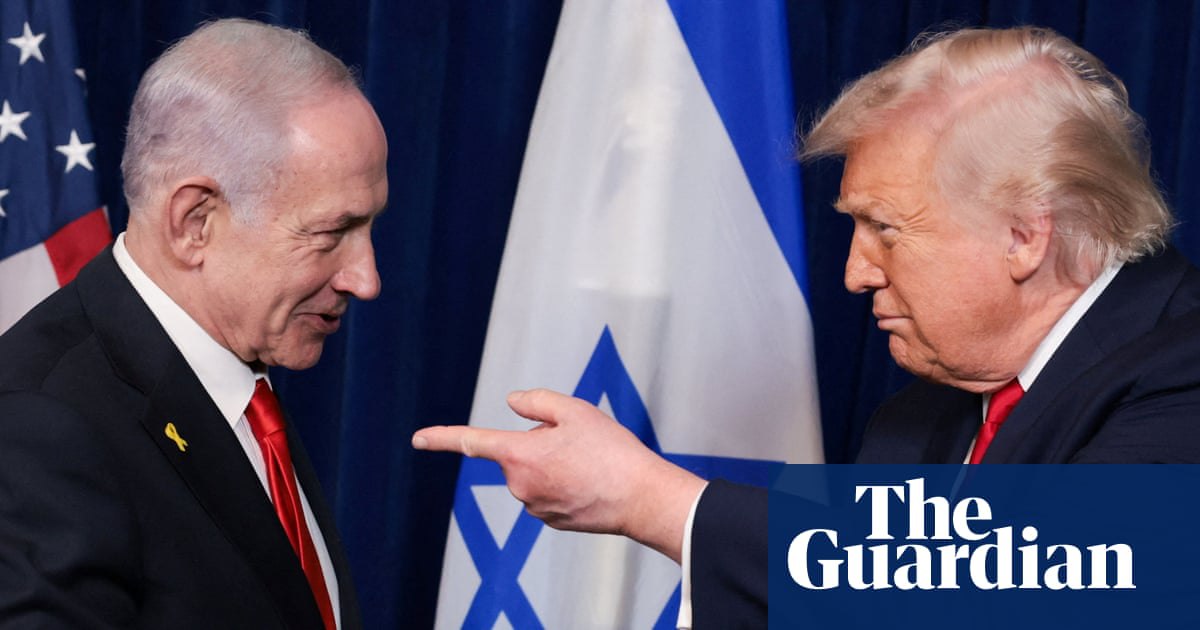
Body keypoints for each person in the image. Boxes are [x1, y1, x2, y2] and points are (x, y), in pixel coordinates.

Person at [413, 25, 1200, 628]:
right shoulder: (920, 415)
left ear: (1025, 235)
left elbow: (1045, 577)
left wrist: (652, 500)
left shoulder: (1185, 367)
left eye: (885, 229)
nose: (855, 272)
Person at [0, 18, 386, 629]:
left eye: (368, 228)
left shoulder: (239, 383)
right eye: (331, 232)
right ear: (194, 223)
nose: (366, 279)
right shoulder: (38, 425)